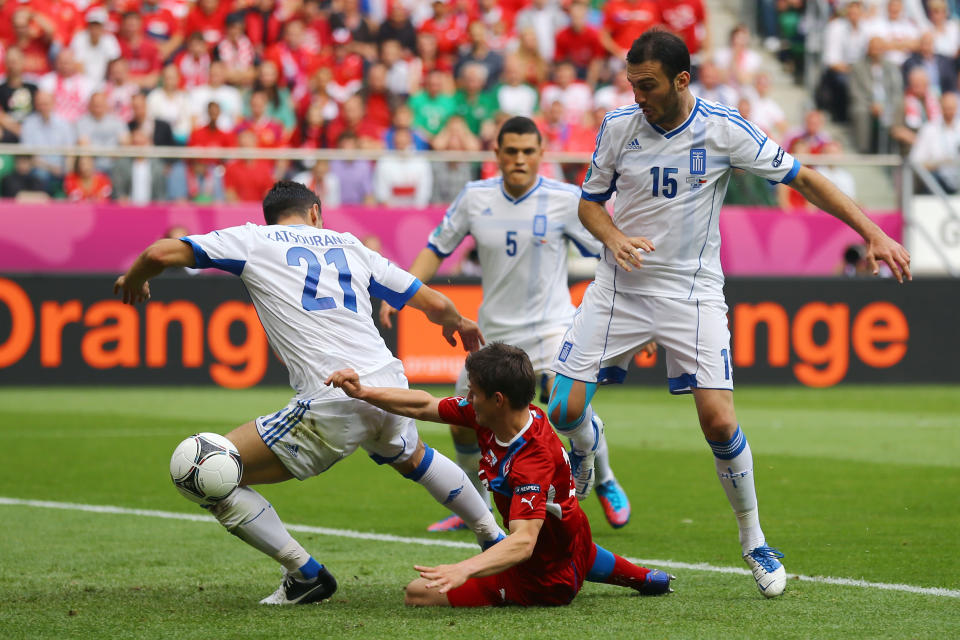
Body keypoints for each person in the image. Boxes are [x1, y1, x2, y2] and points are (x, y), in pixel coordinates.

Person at [549, 29, 911, 599]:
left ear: (681, 80)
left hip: (693, 293)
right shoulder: (618, 127)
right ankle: (585, 449)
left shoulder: (723, 129)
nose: (637, 95)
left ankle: (754, 539)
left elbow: (805, 178)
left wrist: (872, 233)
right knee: (563, 408)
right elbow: (589, 203)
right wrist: (614, 236)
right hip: (619, 286)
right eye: (632, 84)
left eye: (648, 85)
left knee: (718, 422)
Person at [113, 181, 505, 605]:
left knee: (202, 471)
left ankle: (305, 574)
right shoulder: (349, 245)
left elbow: (159, 253)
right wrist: (459, 322)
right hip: (387, 386)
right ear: (316, 212)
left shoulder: (253, 239)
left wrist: (134, 278)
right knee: (414, 458)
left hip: (331, 399)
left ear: (272, 216)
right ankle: (494, 539)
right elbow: (429, 300)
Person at [380, 116, 634, 532]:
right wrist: (402, 293)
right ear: (496, 154)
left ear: (540, 155)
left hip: (553, 328)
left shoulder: (566, 199)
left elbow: (609, 250)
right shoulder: (474, 197)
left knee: (565, 405)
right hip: (493, 335)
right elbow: (436, 248)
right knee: (463, 422)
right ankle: (475, 507)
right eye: (511, 151)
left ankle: (605, 479)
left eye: (528, 151)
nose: (519, 159)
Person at [325, 342, 674, 607]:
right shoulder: (500, 416)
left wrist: (465, 568)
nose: (466, 397)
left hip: (543, 576)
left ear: (497, 399)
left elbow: (523, 543)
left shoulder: (531, 460)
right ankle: (645, 578)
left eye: (472, 391)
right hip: (573, 539)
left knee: (416, 594)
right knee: (584, 551)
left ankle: (594, 575)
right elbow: (422, 404)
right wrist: (364, 392)